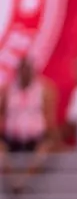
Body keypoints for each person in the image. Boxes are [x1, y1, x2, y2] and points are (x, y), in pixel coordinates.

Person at [1, 57, 59, 192]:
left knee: (45, 148)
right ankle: (12, 179)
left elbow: (49, 117)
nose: (25, 74)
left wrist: (54, 138)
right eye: (22, 71)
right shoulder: (7, 90)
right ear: (17, 72)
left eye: (28, 70)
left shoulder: (44, 89)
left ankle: (24, 180)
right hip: (12, 138)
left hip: (36, 138)